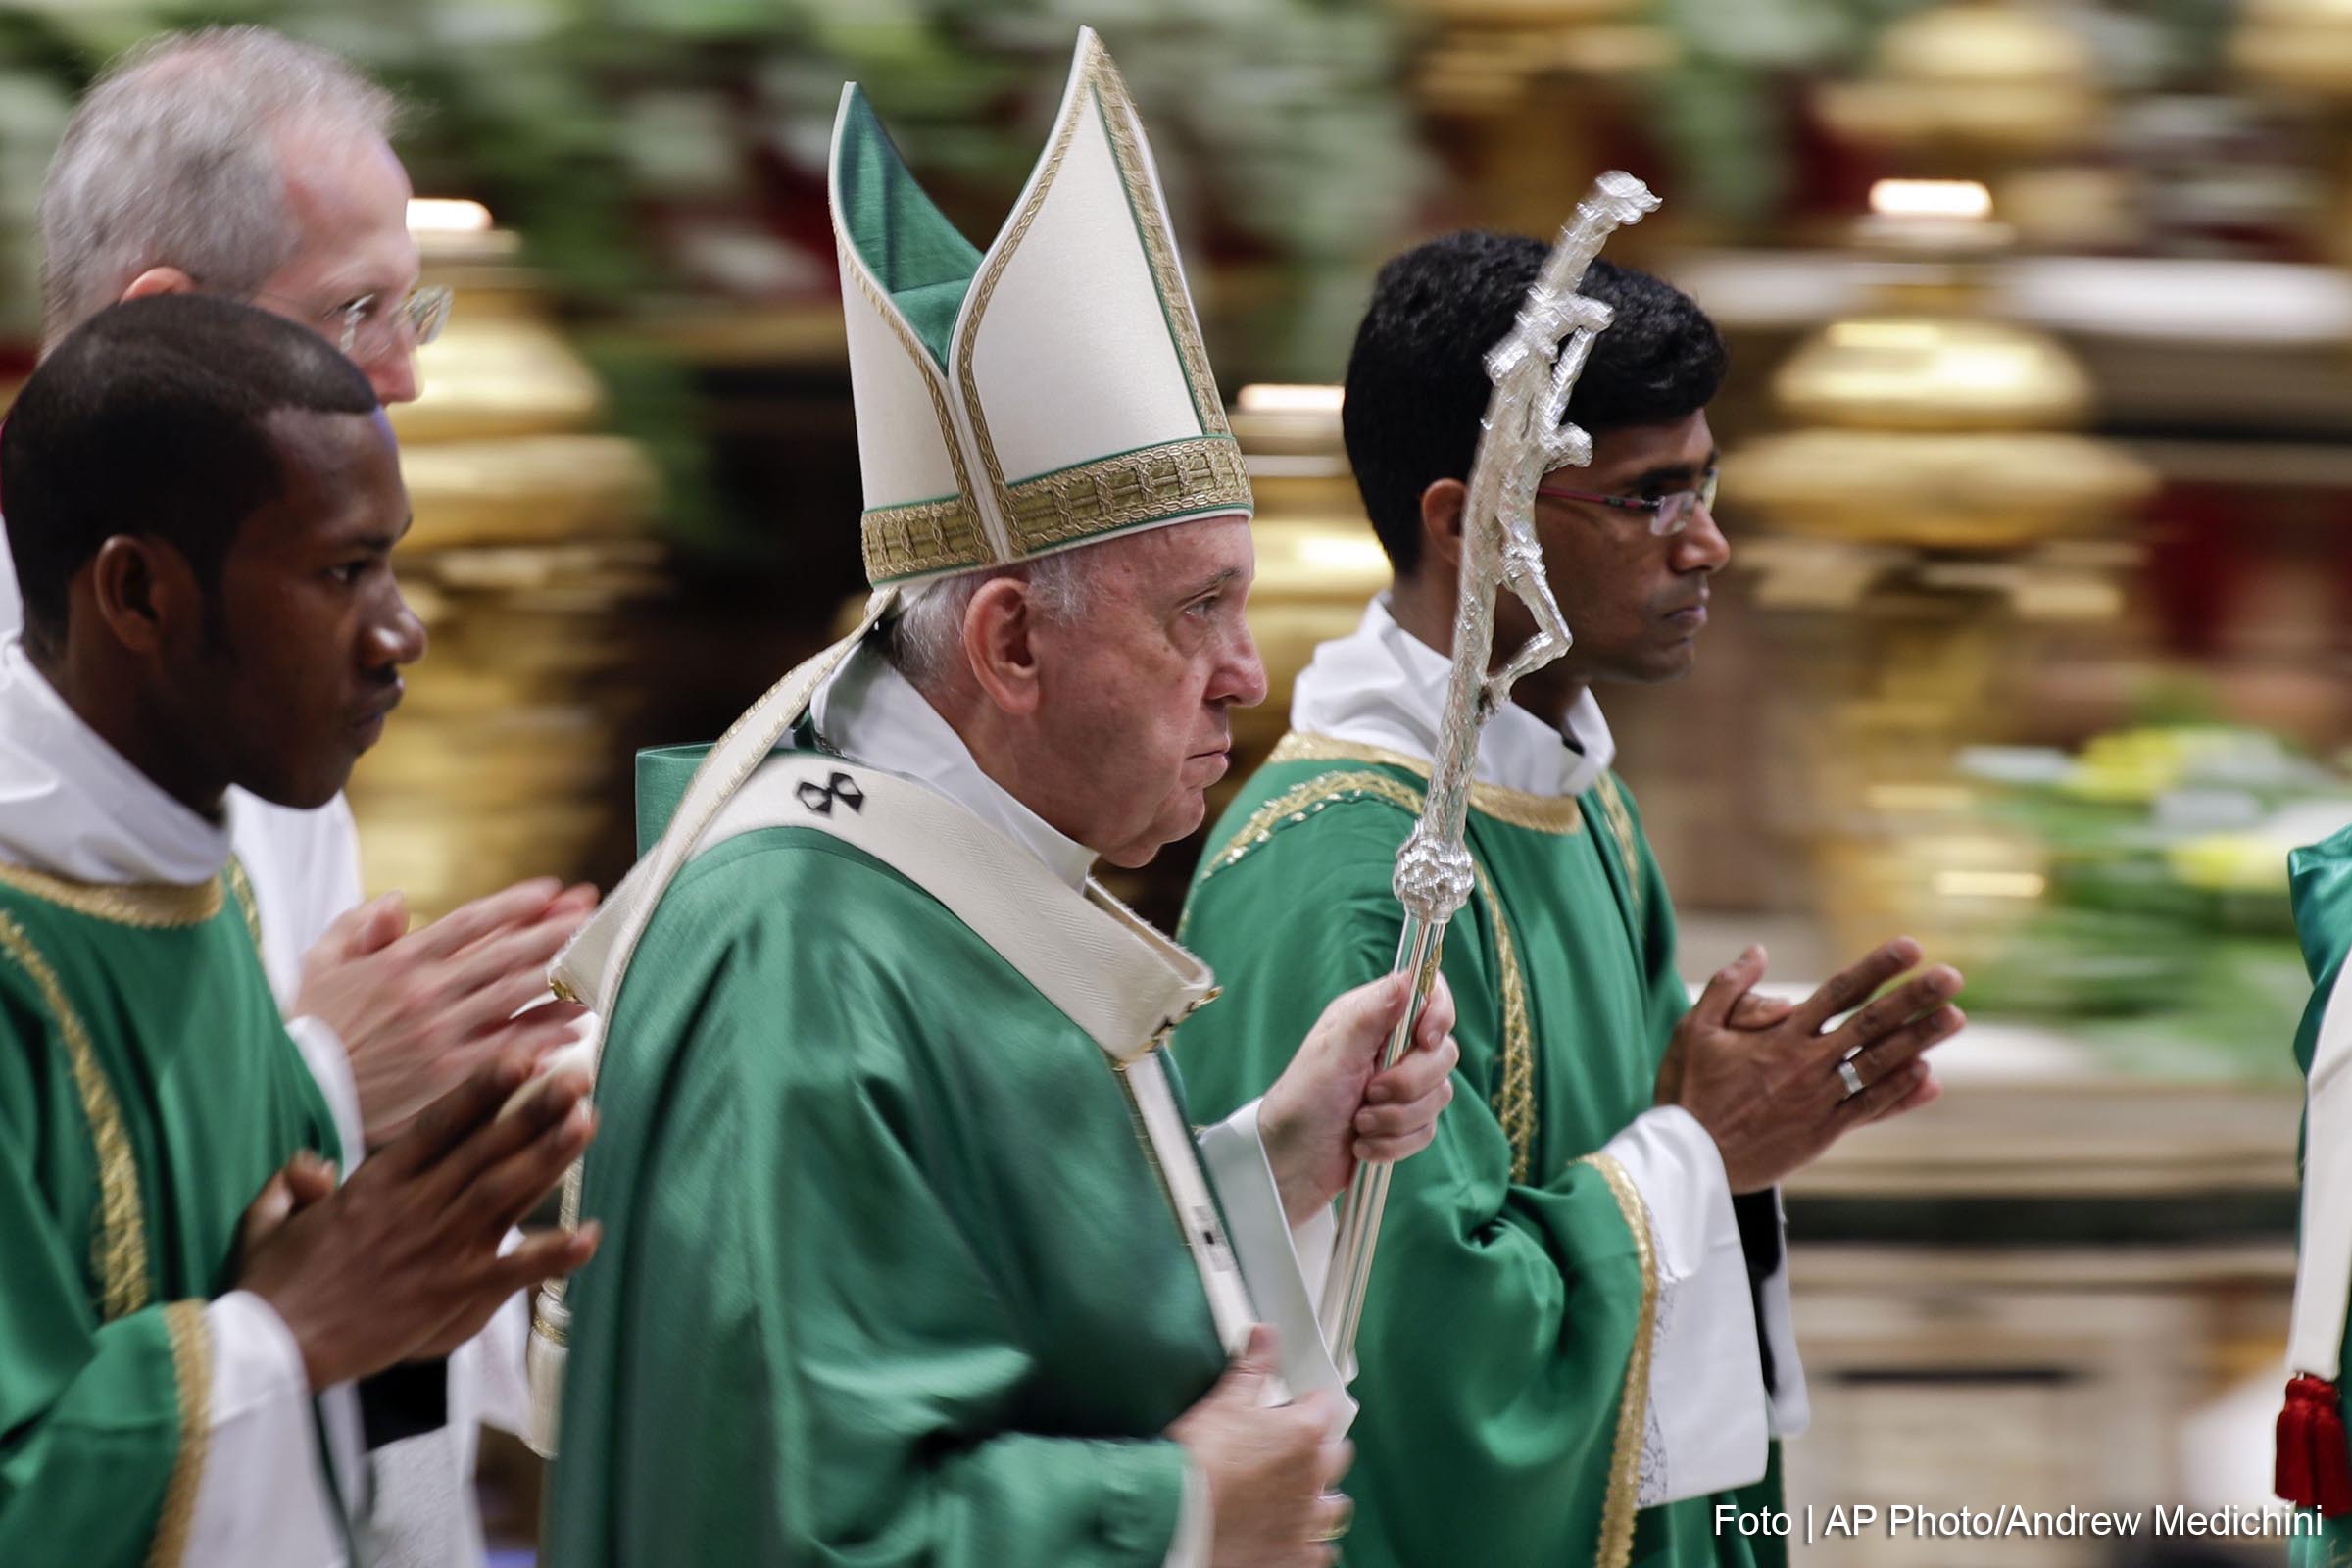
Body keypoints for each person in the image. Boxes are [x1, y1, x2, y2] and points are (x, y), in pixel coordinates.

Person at [542, 31, 1459, 1566]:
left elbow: (987, 1290)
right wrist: (1180, 1514)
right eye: (1199, 611)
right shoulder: (803, 955)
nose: (1249, 674)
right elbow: (793, 1518)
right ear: (1012, 644)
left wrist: (1274, 1162)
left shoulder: (948, 884)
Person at [1172, 233, 1968, 1568]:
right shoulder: (1353, 874)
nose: (1707, 545)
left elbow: (1658, 1159)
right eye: (1648, 498)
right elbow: (1428, 1369)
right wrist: (1705, 1153)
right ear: (1465, 523)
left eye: (1705, 484)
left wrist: (1727, 1132)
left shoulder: (1576, 799)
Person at [15, 28, 597, 1562]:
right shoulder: (119, 711)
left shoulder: (236, 724)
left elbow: (330, 1252)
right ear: (165, 322)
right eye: (356, 310)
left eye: (412, 309)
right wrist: (328, 1075)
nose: (405, 370)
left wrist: (484, 1138)